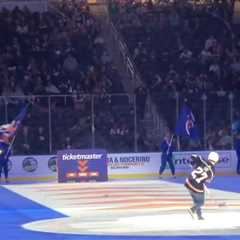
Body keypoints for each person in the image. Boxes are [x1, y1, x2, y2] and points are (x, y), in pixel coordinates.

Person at [185, 151, 219, 220]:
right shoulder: (213, 172)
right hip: (196, 186)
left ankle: (199, 215)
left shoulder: (203, 160)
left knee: (196, 201)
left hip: (188, 181)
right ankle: (192, 210)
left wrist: (192, 164)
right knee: (201, 202)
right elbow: (206, 181)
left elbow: (193, 156)